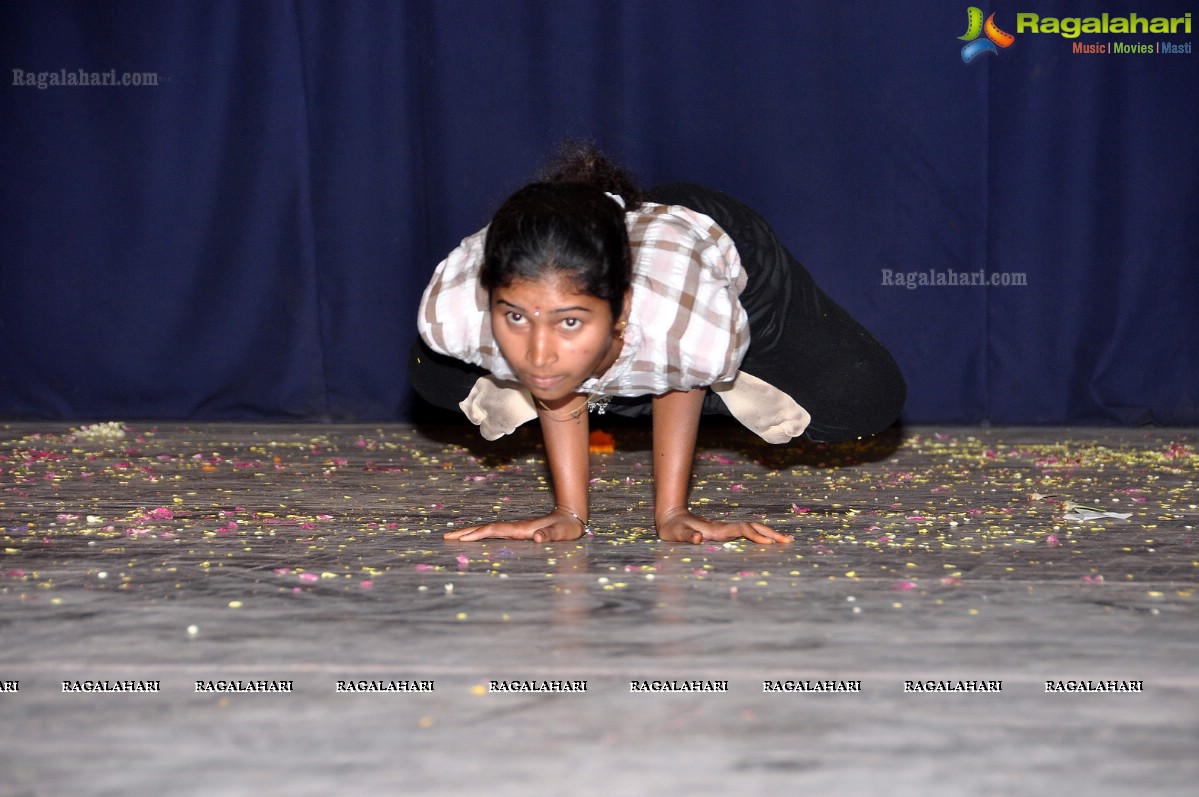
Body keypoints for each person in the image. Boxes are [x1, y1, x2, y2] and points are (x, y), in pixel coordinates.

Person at [410, 142, 905, 544]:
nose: (537, 351)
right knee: (434, 374)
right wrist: (568, 512)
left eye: (567, 323)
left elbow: (675, 366)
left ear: (623, 309)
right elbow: (548, 354)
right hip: (598, 289)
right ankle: (582, 369)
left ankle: (732, 374)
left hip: (719, 256)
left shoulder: (674, 313)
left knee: (865, 398)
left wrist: (672, 512)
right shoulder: (458, 305)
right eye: (515, 316)